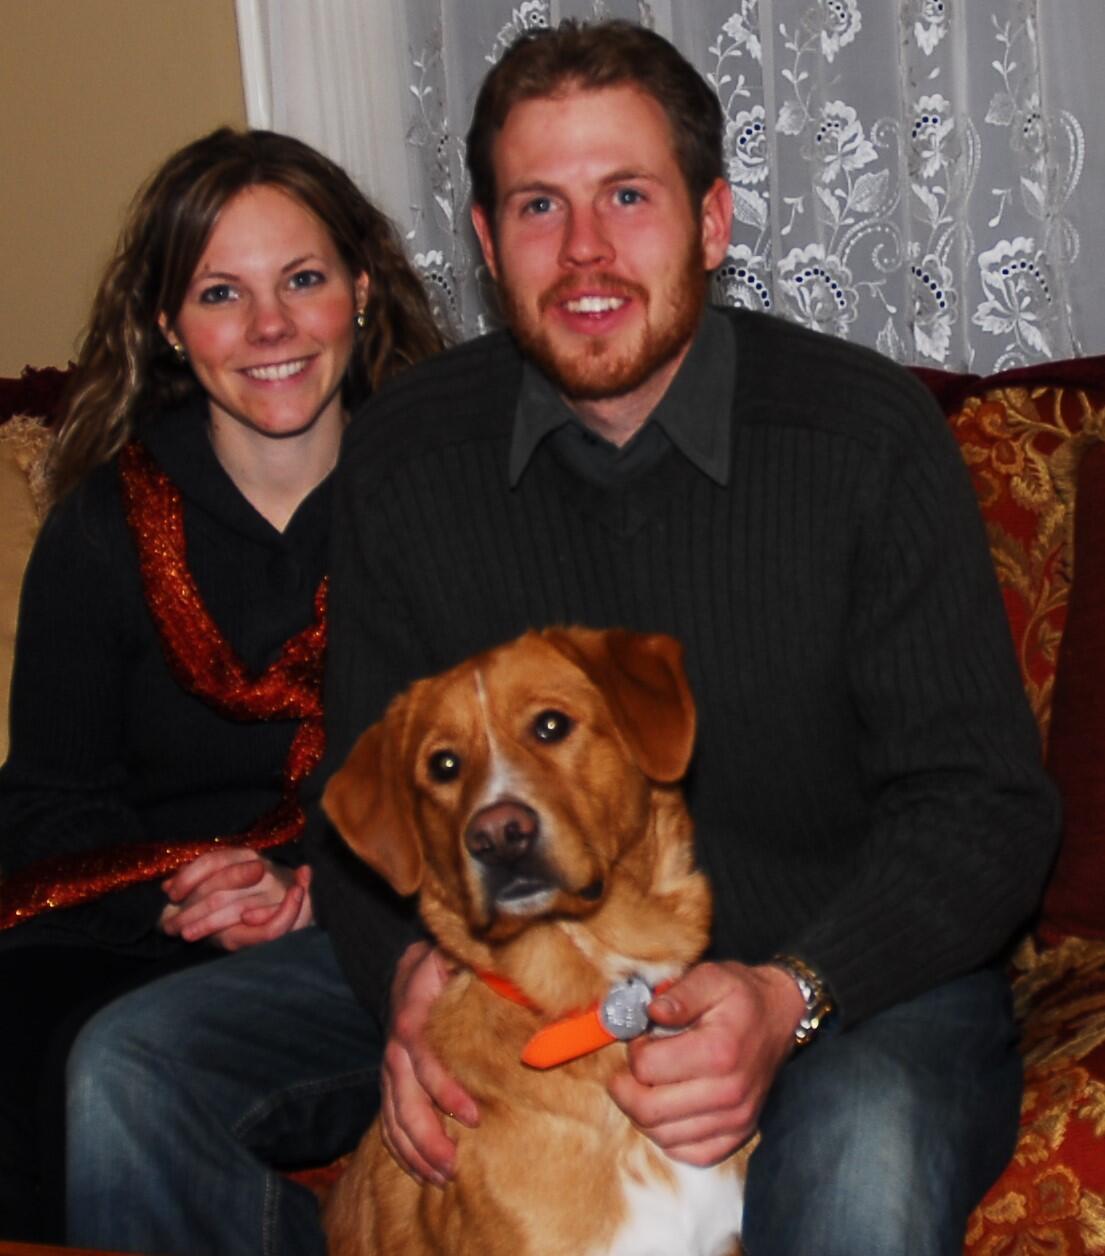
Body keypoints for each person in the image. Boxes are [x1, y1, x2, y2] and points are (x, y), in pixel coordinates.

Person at [65, 21, 1060, 1256]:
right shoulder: (409, 453)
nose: (585, 249)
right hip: (520, 970)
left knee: (865, 1154)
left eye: (627, 196)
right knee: (133, 1067)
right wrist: (405, 979)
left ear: (711, 221)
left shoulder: (865, 438)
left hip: (840, 974)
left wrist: (788, 993)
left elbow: (984, 806)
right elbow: (360, 796)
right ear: (487, 245)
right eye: (540, 206)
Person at [0, 126, 443, 1244]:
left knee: (120, 1067)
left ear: (361, 289)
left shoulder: (446, 504)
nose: (269, 328)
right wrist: (188, 890)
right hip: (137, 924)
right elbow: (48, 805)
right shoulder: (104, 526)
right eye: (219, 293)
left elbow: (496, 780)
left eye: (302, 280)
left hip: (377, 938)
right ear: (167, 322)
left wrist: (318, 888)